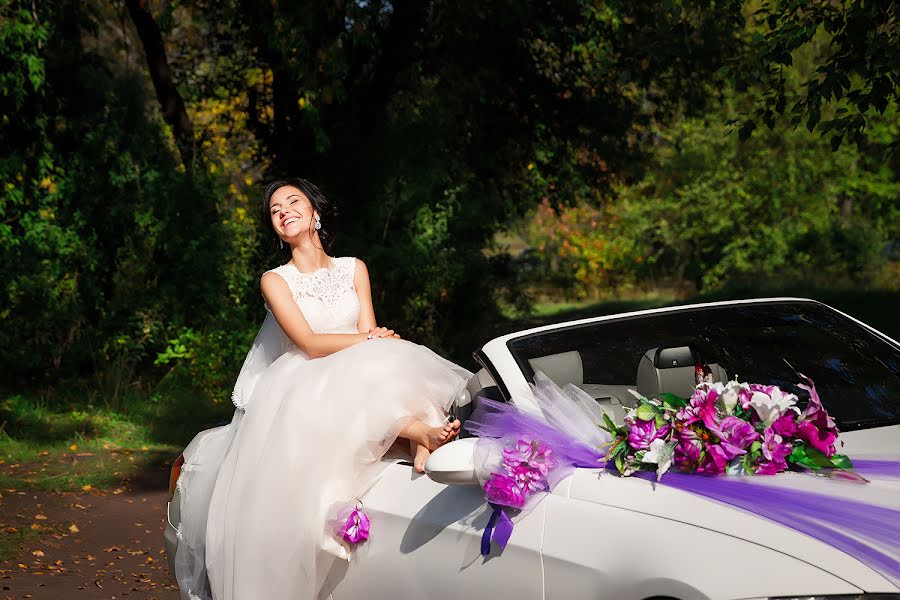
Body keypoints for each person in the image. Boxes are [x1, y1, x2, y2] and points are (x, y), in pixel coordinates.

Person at [174, 177, 472, 600]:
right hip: (307, 374)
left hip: (358, 364)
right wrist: (368, 341)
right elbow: (310, 343)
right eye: (275, 210)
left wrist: (378, 339)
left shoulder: (355, 268)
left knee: (395, 353)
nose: (283, 211)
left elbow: (368, 328)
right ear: (276, 229)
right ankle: (417, 436)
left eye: (293, 202)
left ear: (315, 213)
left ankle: (417, 440)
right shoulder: (275, 280)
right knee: (367, 362)